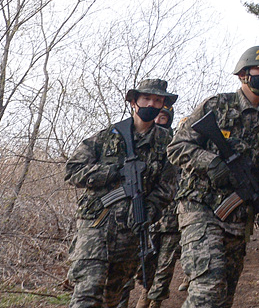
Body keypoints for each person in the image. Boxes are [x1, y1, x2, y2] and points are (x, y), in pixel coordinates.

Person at [167, 46, 259, 308]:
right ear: (244, 73)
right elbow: (176, 148)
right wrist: (211, 163)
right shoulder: (216, 106)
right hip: (199, 207)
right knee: (207, 289)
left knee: (223, 297)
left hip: (239, 217)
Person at [65, 79, 179, 308]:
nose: (152, 104)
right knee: (87, 293)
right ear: (134, 101)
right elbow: (72, 171)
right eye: (146, 98)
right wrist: (113, 171)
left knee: (114, 298)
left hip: (132, 229)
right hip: (96, 223)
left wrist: (150, 209)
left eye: (158, 100)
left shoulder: (167, 143)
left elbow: (168, 186)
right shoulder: (108, 136)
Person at [129, 106, 183, 308]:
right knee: (146, 259)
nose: (161, 119)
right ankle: (145, 289)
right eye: (159, 115)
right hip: (148, 213)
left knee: (166, 262)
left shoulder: (175, 142)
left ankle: (155, 299)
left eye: (165, 116)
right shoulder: (139, 140)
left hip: (172, 212)